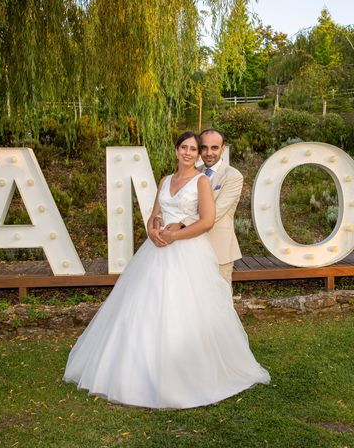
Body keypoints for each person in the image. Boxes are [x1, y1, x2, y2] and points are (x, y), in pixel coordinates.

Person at [63, 132, 270, 409]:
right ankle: (139, 371)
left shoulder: (202, 182)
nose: (188, 152)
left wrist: (176, 236)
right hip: (155, 253)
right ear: (176, 150)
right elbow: (154, 214)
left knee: (188, 311)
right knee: (145, 308)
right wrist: (152, 229)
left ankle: (191, 373)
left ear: (198, 155)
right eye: (184, 147)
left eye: (193, 149)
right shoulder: (165, 180)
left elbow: (208, 221)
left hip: (187, 252)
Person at [156, 129, 243, 289]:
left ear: (223, 148)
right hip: (188, 248)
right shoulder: (193, 172)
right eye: (204, 148)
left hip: (218, 249)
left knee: (218, 300)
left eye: (214, 148)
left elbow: (215, 212)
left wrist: (180, 224)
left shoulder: (232, 176)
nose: (209, 153)